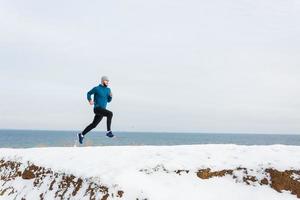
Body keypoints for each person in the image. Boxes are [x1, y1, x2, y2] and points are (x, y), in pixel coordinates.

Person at [78, 76, 114, 144]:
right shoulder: (97, 88)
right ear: (103, 81)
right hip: (97, 108)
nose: (107, 82)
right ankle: (108, 131)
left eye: (108, 81)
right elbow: (88, 93)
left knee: (94, 125)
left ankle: (81, 134)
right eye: (106, 81)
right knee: (110, 113)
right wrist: (90, 100)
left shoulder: (108, 90)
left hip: (102, 110)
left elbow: (108, 100)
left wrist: (110, 96)